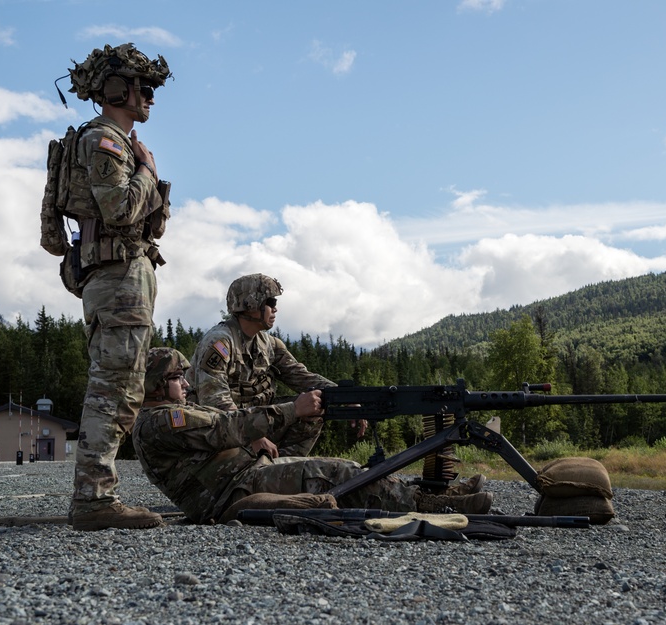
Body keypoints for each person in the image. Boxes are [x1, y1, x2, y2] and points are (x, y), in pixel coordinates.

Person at [133, 348, 494, 525]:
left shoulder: (165, 414)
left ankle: (428, 494)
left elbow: (227, 419)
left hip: (240, 477)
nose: (185, 382)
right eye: (177, 377)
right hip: (233, 491)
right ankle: (436, 507)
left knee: (338, 467)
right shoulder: (163, 421)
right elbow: (225, 427)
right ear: (156, 385)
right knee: (336, 473)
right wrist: (293, 410)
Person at [64, 43, 173, 531]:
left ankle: (98, 494)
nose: (151, 98)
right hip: (117, 276)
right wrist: (148, 171)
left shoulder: (121, 143)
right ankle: (93, 498)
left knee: (124, 384)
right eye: (143, 89)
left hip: (127, 272)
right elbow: (121, 211)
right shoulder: (105, 140)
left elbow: (150, 222)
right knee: (113, 386)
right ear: (116, 90)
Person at [189, 273, 336, 458]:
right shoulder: (220, 343)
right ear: (251, 304)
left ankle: (281, 469)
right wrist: (253, 434)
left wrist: (345, 397)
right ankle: (259, 472)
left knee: (313, 407)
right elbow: (214, 401)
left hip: (254, 420)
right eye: (271, 302)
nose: (275, 310)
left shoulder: (270, 344)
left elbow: (302, 377)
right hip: (219, 427)